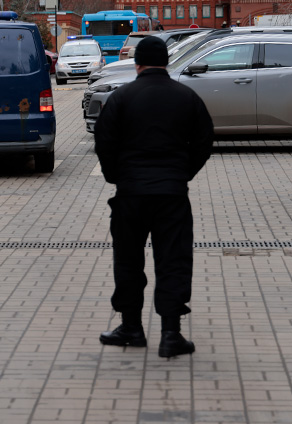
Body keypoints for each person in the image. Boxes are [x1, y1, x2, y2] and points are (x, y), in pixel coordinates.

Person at [94, 35, 214, 358]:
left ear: (138, 64)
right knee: (173, 260)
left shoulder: (121, 98)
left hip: (131, 195)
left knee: (129, 261)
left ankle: (131, 327)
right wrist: (182, 173)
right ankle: (171, 334)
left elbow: (104, 141)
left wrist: (116, 176)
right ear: (166, 62)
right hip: (172, 195)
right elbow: (205, 141)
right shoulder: (187, 97)